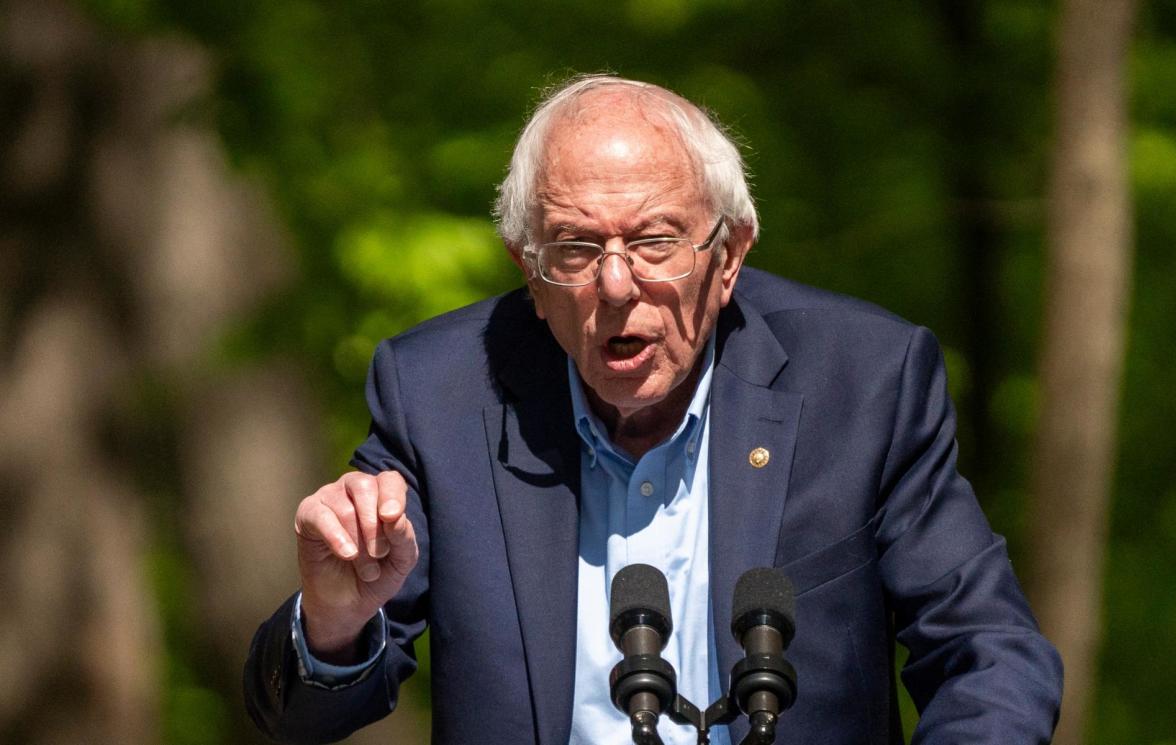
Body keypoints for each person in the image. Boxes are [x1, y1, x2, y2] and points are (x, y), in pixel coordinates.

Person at [244, 75, 1062, 744]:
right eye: (574, 247)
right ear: (528, 271)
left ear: (730, 253)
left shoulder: (864, 382)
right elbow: (298, 713)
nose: (614, 284)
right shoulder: (440, 393)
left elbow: (989, 655)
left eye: (654, 242)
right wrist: (334, 623)